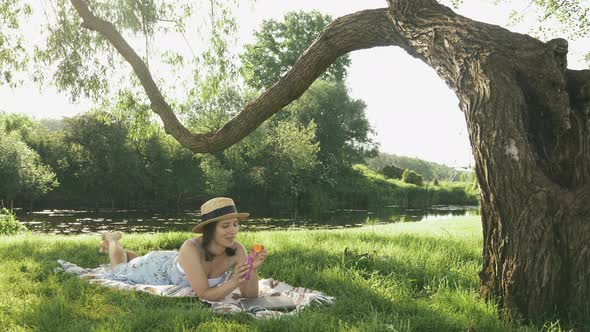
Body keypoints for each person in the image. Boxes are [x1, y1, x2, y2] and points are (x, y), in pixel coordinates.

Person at [98, 197, 268, 302]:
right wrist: (234, 282)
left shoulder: (237, 250)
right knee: (118, 270)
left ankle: (130, 256)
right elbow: (204, 294)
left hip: (177, 262)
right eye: (225, 226)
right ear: (210, 229)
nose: (233, 231)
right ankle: (112, 240)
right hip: (156, 268)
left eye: (235, 225)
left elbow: (250, 295)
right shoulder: (191, 248)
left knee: (133, 262)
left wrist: (253, 270)